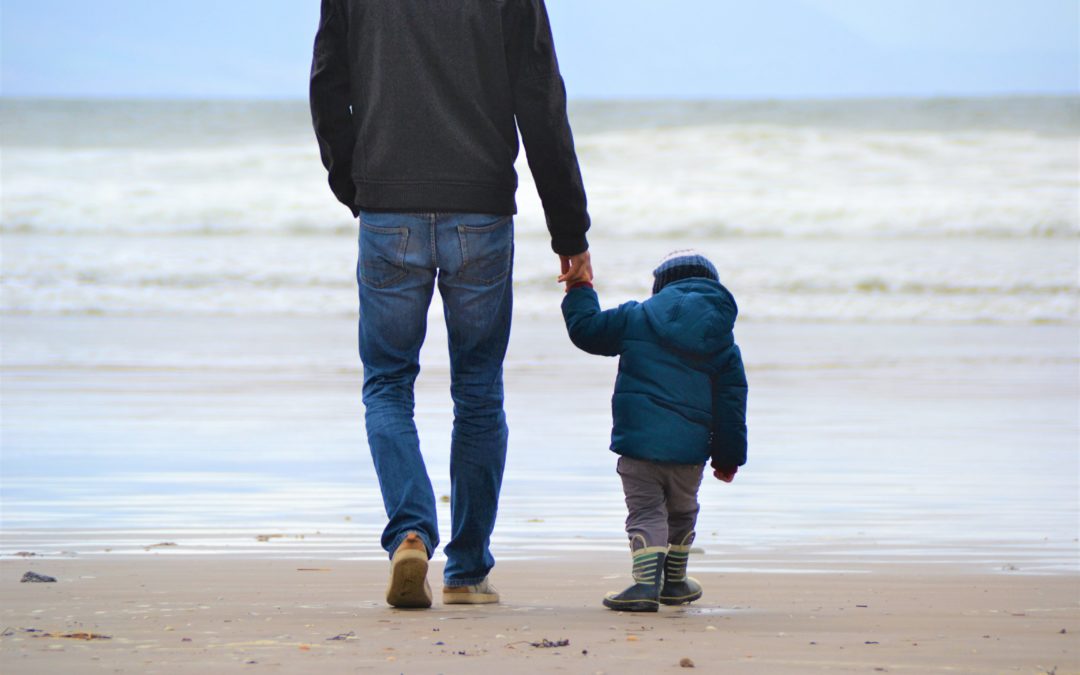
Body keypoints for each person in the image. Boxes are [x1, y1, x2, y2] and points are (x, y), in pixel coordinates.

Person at [309, 0, 592, 609]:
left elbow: (328, 87)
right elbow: (541, 102)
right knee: (479, 390)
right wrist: (571, 233)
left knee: (388, 385)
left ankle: (411, 532)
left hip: (389, 207)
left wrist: (356, 186)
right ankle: (465, 571)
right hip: (481, 211)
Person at [561, 250, 748, 612]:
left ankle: (646, 584)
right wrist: (727, 458)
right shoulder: (721, 339)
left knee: (646, 511)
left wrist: (580, 286)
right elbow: (731, 404)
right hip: (689, 453)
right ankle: (674, 583)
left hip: (639, 446)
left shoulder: (636, 317)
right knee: (681, 511)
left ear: (660, 286)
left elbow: (586, 330)